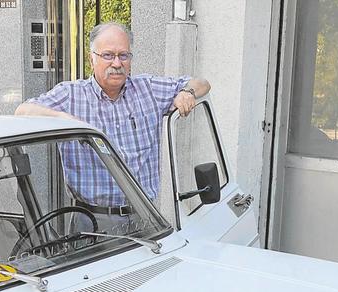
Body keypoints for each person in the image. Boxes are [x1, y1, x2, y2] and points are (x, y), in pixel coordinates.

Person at [15, 22, 210, 223]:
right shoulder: (70, 96)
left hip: (146, 218)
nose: (117, 63)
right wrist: (66, 121)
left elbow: (202, 83)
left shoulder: (149, 90)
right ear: (92, 58)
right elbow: (22, 111)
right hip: (91, 221)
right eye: (108, 55)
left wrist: (187, 93)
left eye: (123, 55)